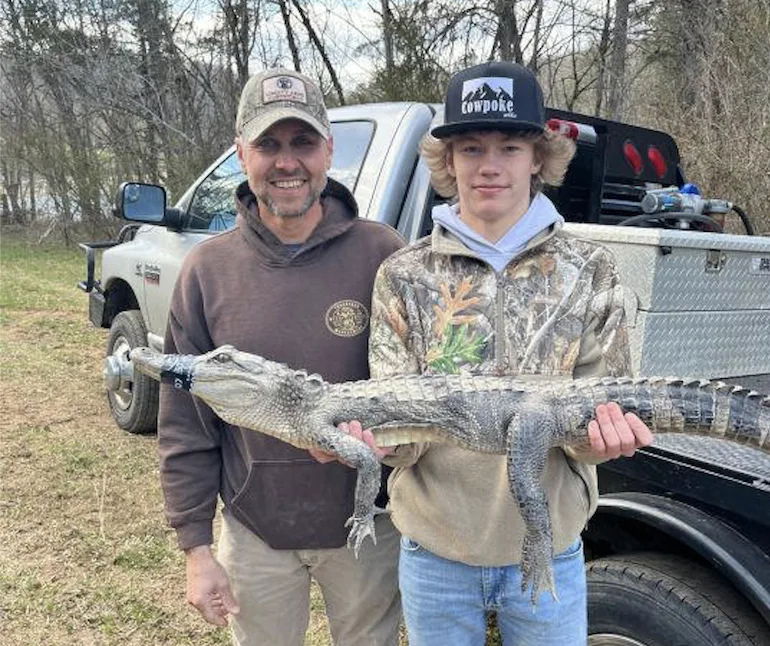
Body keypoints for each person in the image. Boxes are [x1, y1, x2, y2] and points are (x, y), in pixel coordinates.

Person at [356, 61, 654, 645]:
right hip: (434, 550)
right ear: (448, 161)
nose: (489, 165)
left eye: (510, 146)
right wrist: (370, 442)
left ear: (538, 157)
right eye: (470, 148)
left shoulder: (590, 269)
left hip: (551, 546)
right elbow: (405, 433)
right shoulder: (402, 275)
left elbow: (603, 406)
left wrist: (602, 440)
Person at [157, 68, 404, 646]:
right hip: (254, 530)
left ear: (328, 151)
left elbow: (419, 389)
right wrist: (196, 547)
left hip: (369, 527)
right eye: (268, 144)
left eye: (302, 143)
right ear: (242, 154)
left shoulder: (383, 253)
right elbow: (183, 425)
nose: (286, 162)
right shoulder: (206, 271)